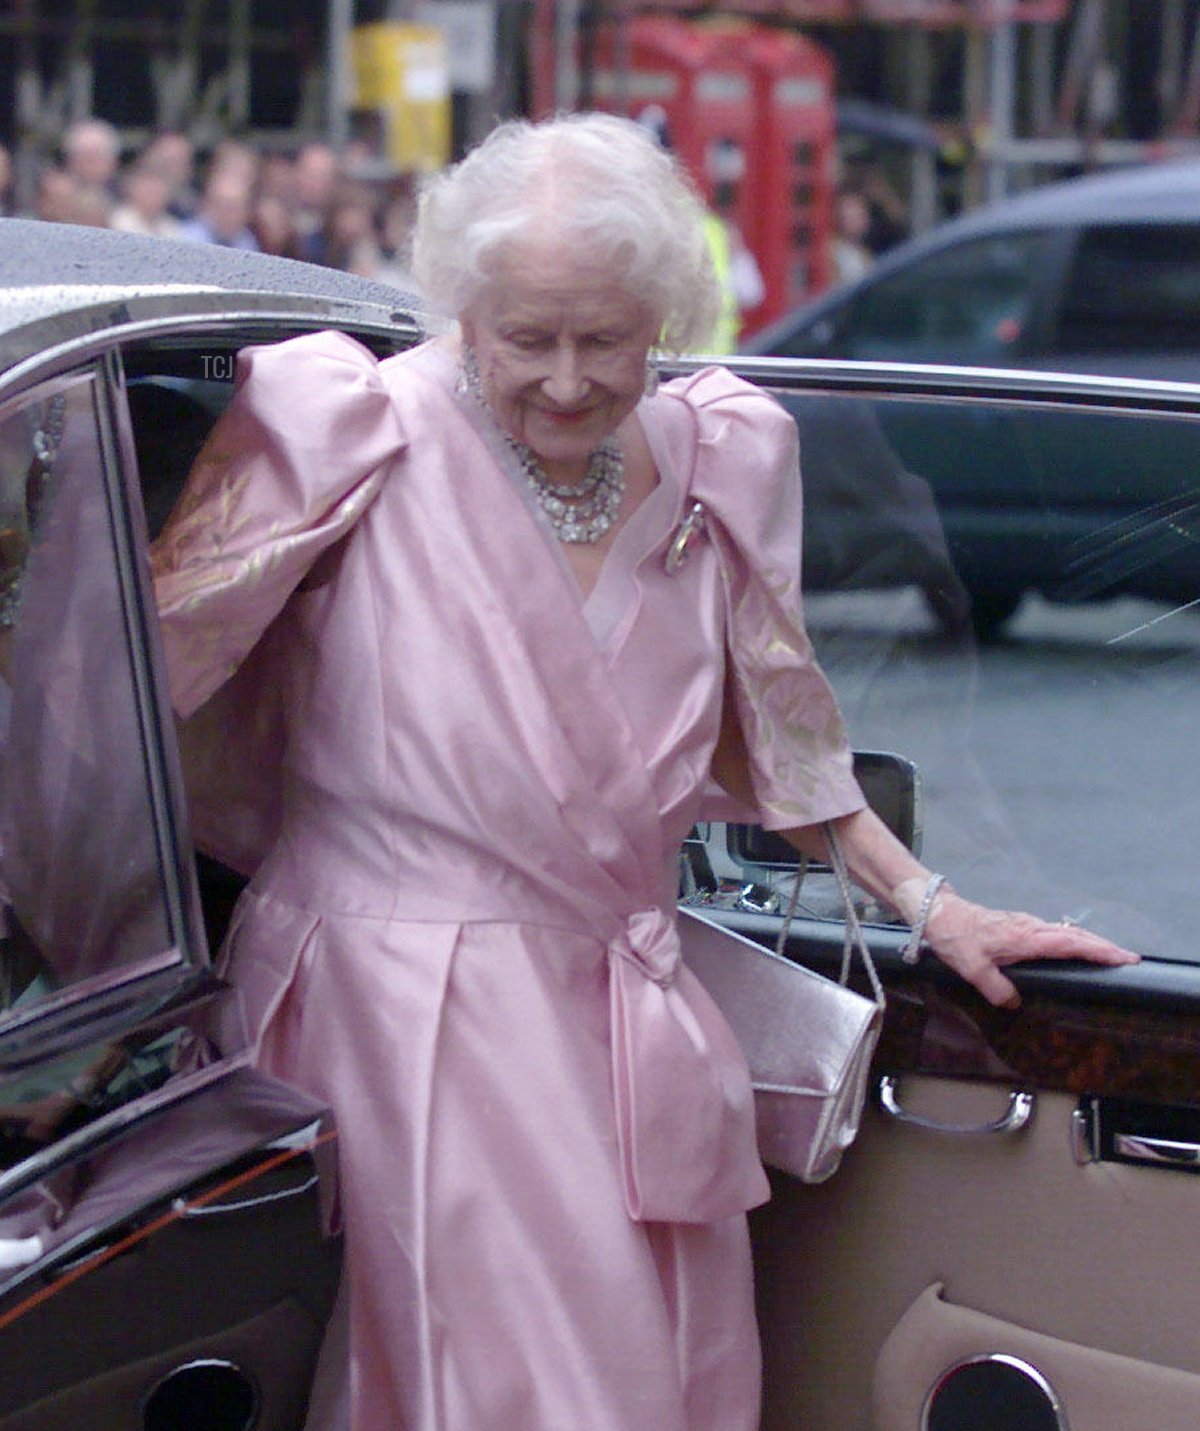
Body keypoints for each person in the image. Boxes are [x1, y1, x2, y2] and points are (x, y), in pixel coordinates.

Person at [149, 113, 1137, 1431]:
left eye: (604, 340)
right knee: (521, 1388)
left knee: (664, 1364)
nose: (564, 379)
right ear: (466, 311)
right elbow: (131, 673)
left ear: (663, 317)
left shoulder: (713, 455)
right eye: (525, 339)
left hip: (620, 1001)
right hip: (412, 995)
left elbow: (786, 730)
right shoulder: (353, 431)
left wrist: (933, 907)